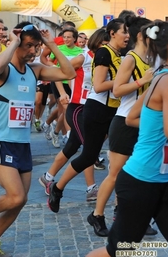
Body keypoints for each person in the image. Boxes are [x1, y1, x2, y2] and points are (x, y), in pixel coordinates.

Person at [87, 20, 168, 257]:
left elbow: (133, 118)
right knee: (117, 252)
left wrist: (158, 127)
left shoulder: (163, 77)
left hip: (161, 181)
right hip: (140, 183)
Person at [0, 21, 76, 256]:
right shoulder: (4, 70)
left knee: (21, 200)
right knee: (14, 195)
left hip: (23, 143)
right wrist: (14, 42)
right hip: (1, 140)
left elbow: (68, 73)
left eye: (35, 46)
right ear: (17, 45)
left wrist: (49, 44)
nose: (33, 51)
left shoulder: (35, 70)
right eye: (29, 46)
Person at [47, 19, 129, 213]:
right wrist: (62, 93)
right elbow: (61, 72)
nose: (127, 36)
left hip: (112, 110)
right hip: (84, 108)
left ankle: (52, 182)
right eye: (123, 32)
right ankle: (66, 188)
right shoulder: (92, 56)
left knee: (78, 149)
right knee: (88, 154)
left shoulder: (121, 57)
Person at [87, 16, 155, 237]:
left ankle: (127, 215)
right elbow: (116, 90)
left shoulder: (152, 60)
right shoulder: (130, 59)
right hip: (124, 121)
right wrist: (142, 81)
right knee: (116, 174)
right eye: (154, 34)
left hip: (143, 122)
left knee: (139, 174)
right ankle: (97, 215)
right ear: (141, 36)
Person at [38, 27, 109, 202]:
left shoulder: (108, 60)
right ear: (99, 43)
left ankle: (47, 177)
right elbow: (59, 71)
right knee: (89, 149)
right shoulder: (84, 57)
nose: (108, 48)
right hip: (78, 107)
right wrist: (62, 93)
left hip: (93, 108)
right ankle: (91, 188)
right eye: (106, 44)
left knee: (71, 147)